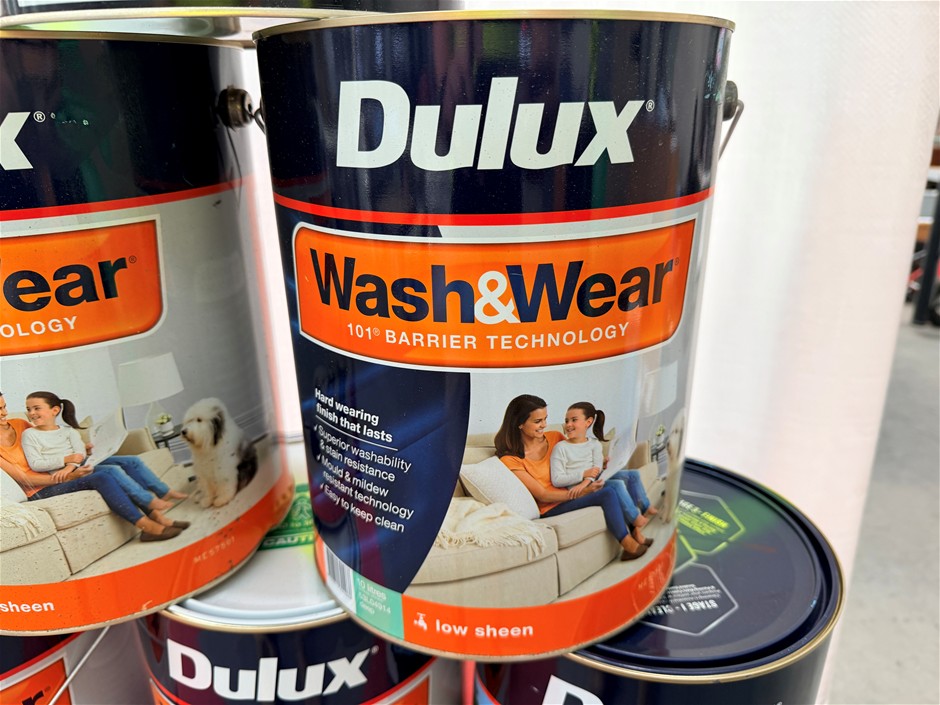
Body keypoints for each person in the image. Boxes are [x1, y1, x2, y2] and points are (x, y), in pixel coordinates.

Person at [0, 392, 183, 541]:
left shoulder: (19, 424)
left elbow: (47, 442)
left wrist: (80, 453)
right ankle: (147, 527)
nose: (4, 413)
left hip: (59, 470)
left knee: (123, 463)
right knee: (103, 476)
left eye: (4, 407)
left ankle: (156, 516)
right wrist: (68, 476)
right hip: (41, 489)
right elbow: (25, 478)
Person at [494, 394, 648, 561]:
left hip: (571, 488)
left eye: (545, 419)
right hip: (551, 506)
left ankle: (636, 532)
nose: (544, 425)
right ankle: (628, 546)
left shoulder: (554, 437)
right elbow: (542, 495)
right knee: (608, 492)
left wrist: (599, 465)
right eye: (538, 421)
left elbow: (575, 459)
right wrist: (582, 492)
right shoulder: (511, 459)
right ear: (520, 423)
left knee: (623, 478)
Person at [550, 401, 657, 548]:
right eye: (567, 420)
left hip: (594, 479)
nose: (568, 424)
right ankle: (635, 519)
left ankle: (644, 508)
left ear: (588, 422)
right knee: (617, 485)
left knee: (632, 475)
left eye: (574, 420)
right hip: (578, 487)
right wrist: (583, 477)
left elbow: (596, 467)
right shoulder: (561, 448)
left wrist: (603, 466)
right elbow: (557, 480)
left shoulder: (594, 444)